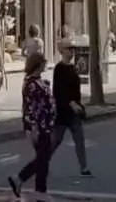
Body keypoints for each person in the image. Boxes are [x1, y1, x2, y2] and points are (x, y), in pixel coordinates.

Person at [8, 52, 56, 198]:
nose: (45, 66)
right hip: (40, 126)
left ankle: (37, 189)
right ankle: (29, 184)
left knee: (43, 158)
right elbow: (31, 107)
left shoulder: (39, 81)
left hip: (46, 124)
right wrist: (33, 127)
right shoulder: (32, 84)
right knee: (43, 159)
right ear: (38, 64)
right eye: (43, 63)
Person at [51, 40, 90, 176]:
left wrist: (79, 105)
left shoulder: (73, 68)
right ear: (62, 51)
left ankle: (84, 168)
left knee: (79, 140)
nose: (72, 52)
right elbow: (58, 92)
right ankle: (41, 163)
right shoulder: (59, 69)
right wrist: (70, 103)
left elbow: (76, 90)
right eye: (69, 49)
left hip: (75, 112)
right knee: (55, 141)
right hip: (63, 112)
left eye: (73, 49)